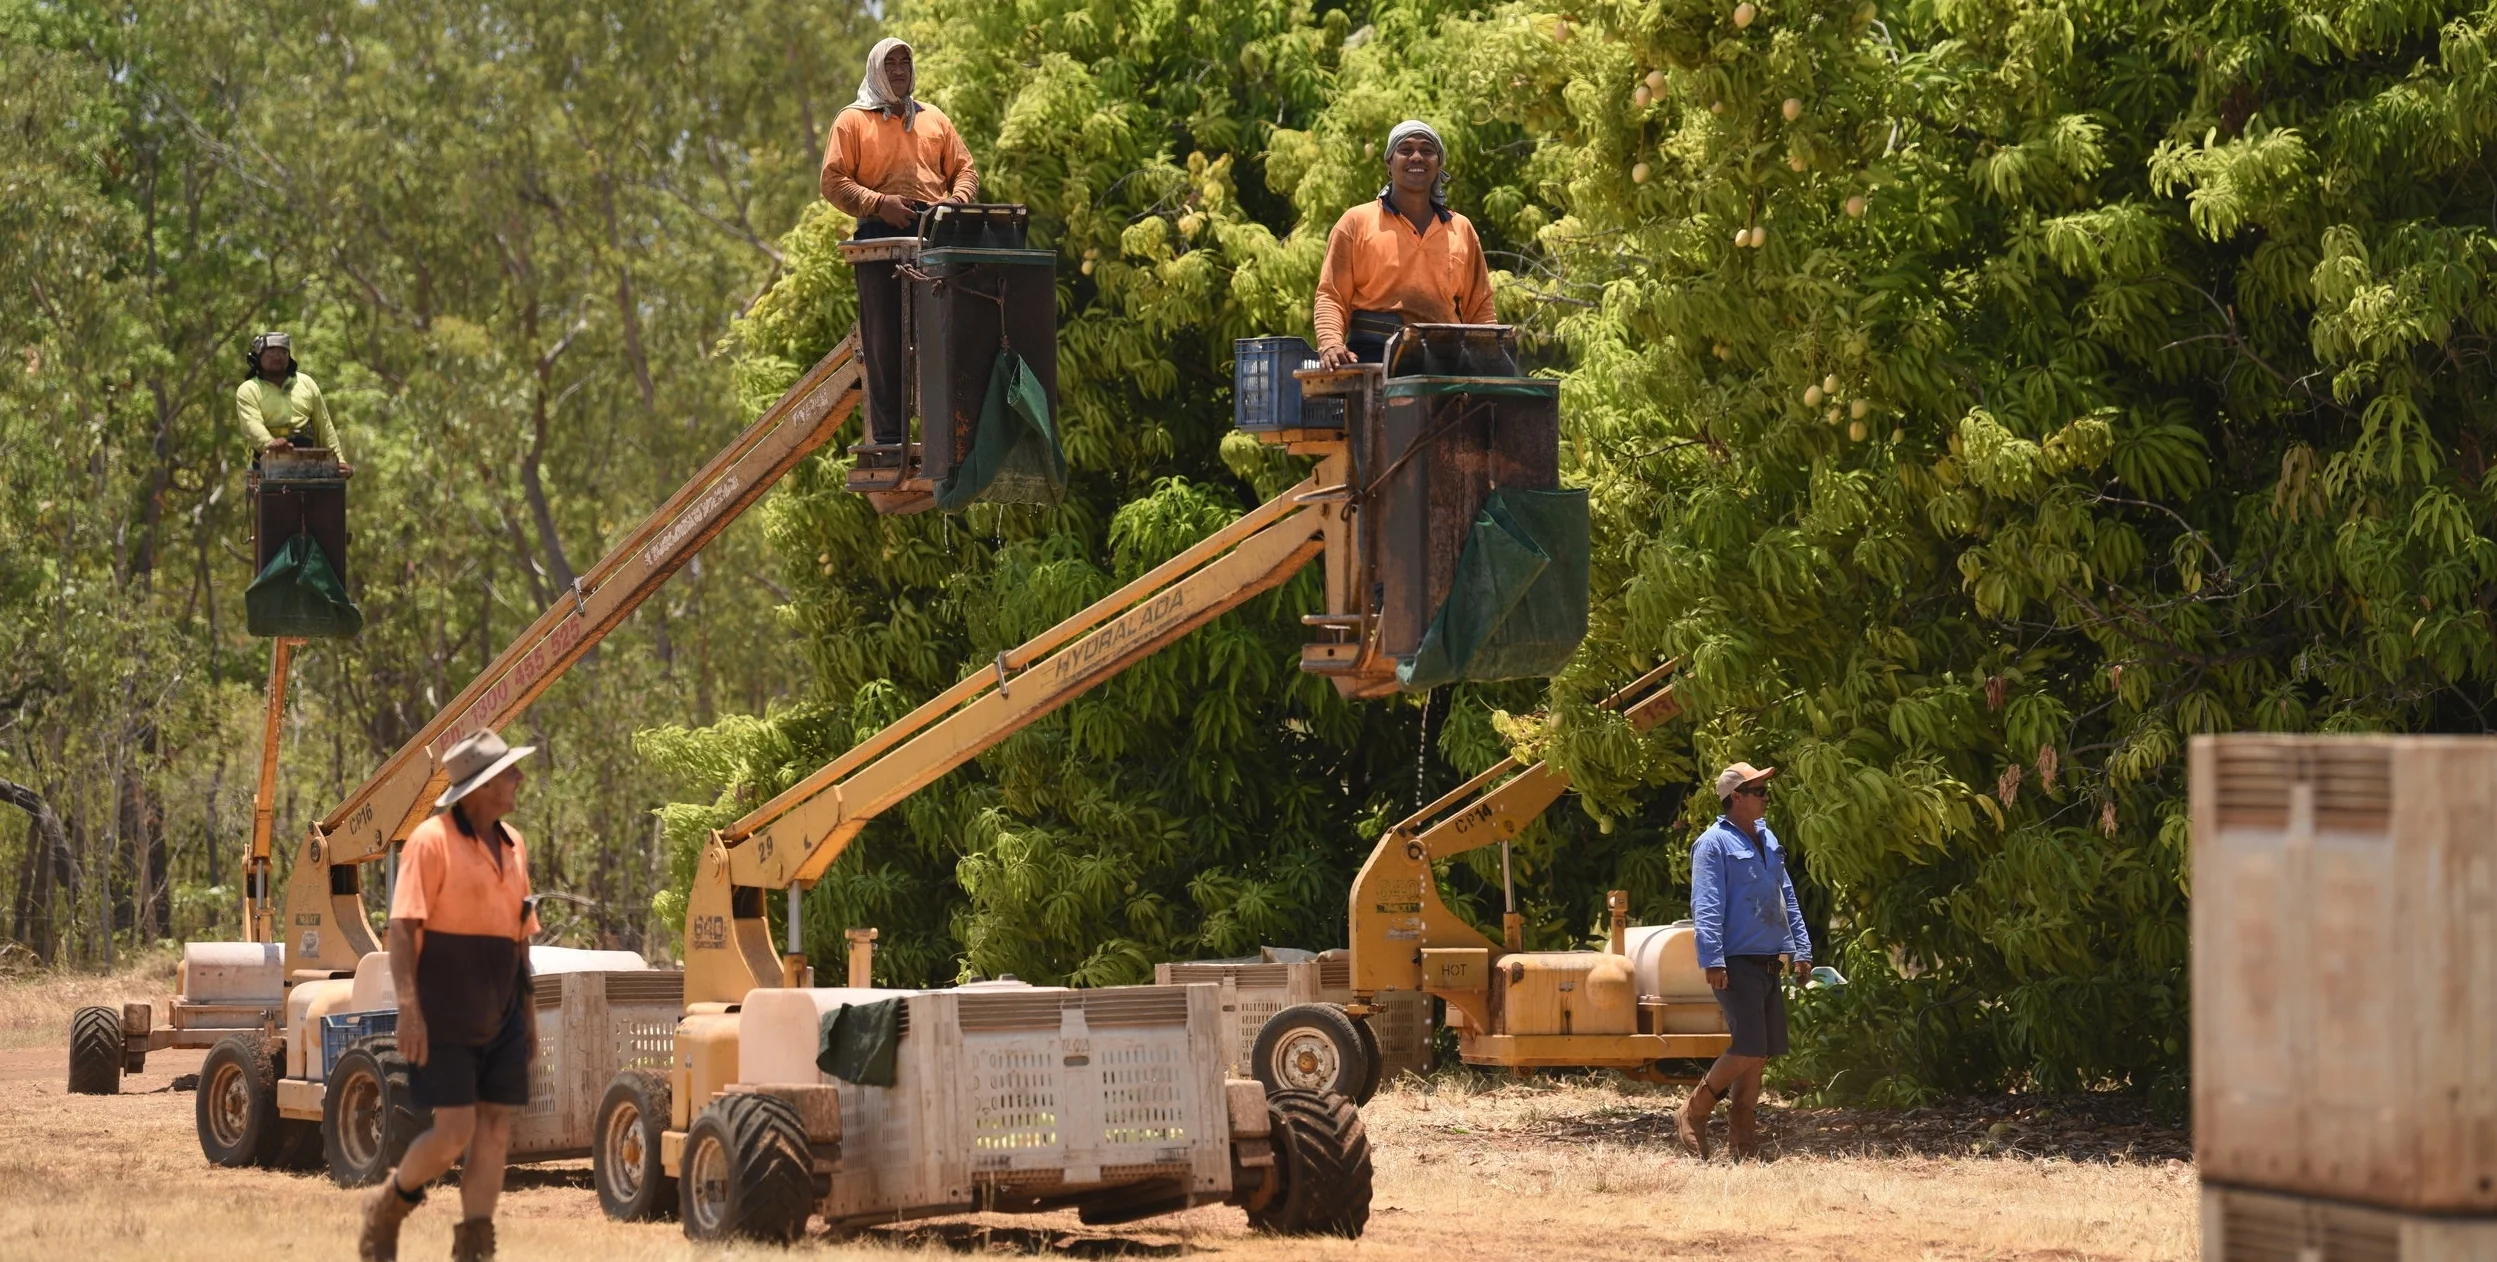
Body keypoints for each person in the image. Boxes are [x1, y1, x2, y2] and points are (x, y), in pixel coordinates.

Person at [360, 730, 542, 1262]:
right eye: (510, 772)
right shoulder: (430, 841)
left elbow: (521, 934)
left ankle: (475, 1248)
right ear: (482, 787)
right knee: (455, 1131)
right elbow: (402, 929)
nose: (519, 779)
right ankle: (391, 1204)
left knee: (495, 1129)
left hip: (504, 1007)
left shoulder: (514, 843)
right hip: (444, 1012)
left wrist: (528, 1014)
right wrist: (410, 1010)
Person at [819, 37, 980, 450]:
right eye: (890, 63)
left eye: (904, 62)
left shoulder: (934, 120)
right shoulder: (853, 121)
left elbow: (965, 170)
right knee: (885, 343)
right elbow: (833, 181)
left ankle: (945, 438)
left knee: (940, 337)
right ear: (876, 70)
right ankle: (891, 441)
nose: (899, 70)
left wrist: (955, 202)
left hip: (935, 237)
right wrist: (878, 204)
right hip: (879, 239)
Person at [1676, 760, 1814, 1161]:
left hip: (1769, 958)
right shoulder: (1713, 843)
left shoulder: (1768, 839)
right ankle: (1694, 1110)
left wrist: (1801, 949)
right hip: (1734, 960)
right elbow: (1706, 904)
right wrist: (1713, 958)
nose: (1765, 797)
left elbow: (1785, 895)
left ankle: (1743, 1144)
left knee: (1760, 1050)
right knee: (1750, 1046)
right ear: (1735, 798)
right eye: (1758, 791)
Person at [1312, 120, 1497, 370]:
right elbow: (1331, 295)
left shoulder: (1460, 228)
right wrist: (1331, 343)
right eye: (1406, 149)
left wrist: (1490, 356)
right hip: (1374, 356)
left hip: (1445, 360)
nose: (1417, 157)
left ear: (1438, 163)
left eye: (1427, 150)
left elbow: (1480, 306)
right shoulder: (1357, 221)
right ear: (1389, 163)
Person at [236, 331, 351, 475]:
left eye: (283, 351)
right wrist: (269, 443)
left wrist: (339, 460)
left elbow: (324, 425)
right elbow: (251, 424)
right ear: (258, 356)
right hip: (266, 465)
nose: (277, 356)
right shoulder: (249, 389)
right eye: (271, 351)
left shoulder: (306, 383)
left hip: (309, 462)